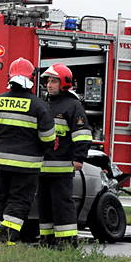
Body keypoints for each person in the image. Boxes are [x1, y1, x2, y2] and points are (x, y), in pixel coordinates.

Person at [0, 57, 56, 245]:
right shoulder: (39, 105)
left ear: (10, 77)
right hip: (27, 164)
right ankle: (7, 238)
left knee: (2, 197)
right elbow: (48, 138)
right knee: (19, 200)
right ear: (31, 78)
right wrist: (41, 150)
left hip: (2, 162)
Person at [37, 63, 93, 247]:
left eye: (54, 81)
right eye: (48, 81)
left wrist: (79, 158)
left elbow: (82, 134)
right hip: (42, 166)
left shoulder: (73, 105)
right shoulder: (44, 104)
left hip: (62, 165)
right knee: (44, 204)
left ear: (64, 83)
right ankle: (47, 238)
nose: (49, 85)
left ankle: (67, 240)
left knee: (62, 204)